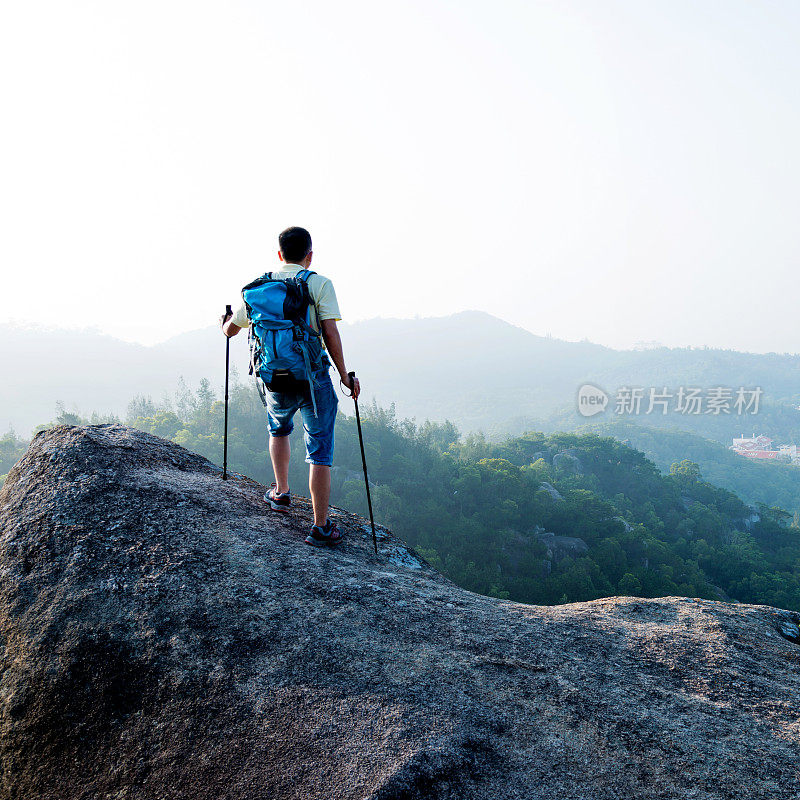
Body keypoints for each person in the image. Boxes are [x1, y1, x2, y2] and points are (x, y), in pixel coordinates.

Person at [221, 226, 360, 547]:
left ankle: (281, 493)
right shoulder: (319, 284)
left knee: (279, 429)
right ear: (309, 256)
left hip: (274, 375)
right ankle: (320, 527)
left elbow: (231, 330)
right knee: (320, 447)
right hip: (312, 377)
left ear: (280, 255)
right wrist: (344, 376)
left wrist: (224, 323)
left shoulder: (258, 288)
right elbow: (329, 333)